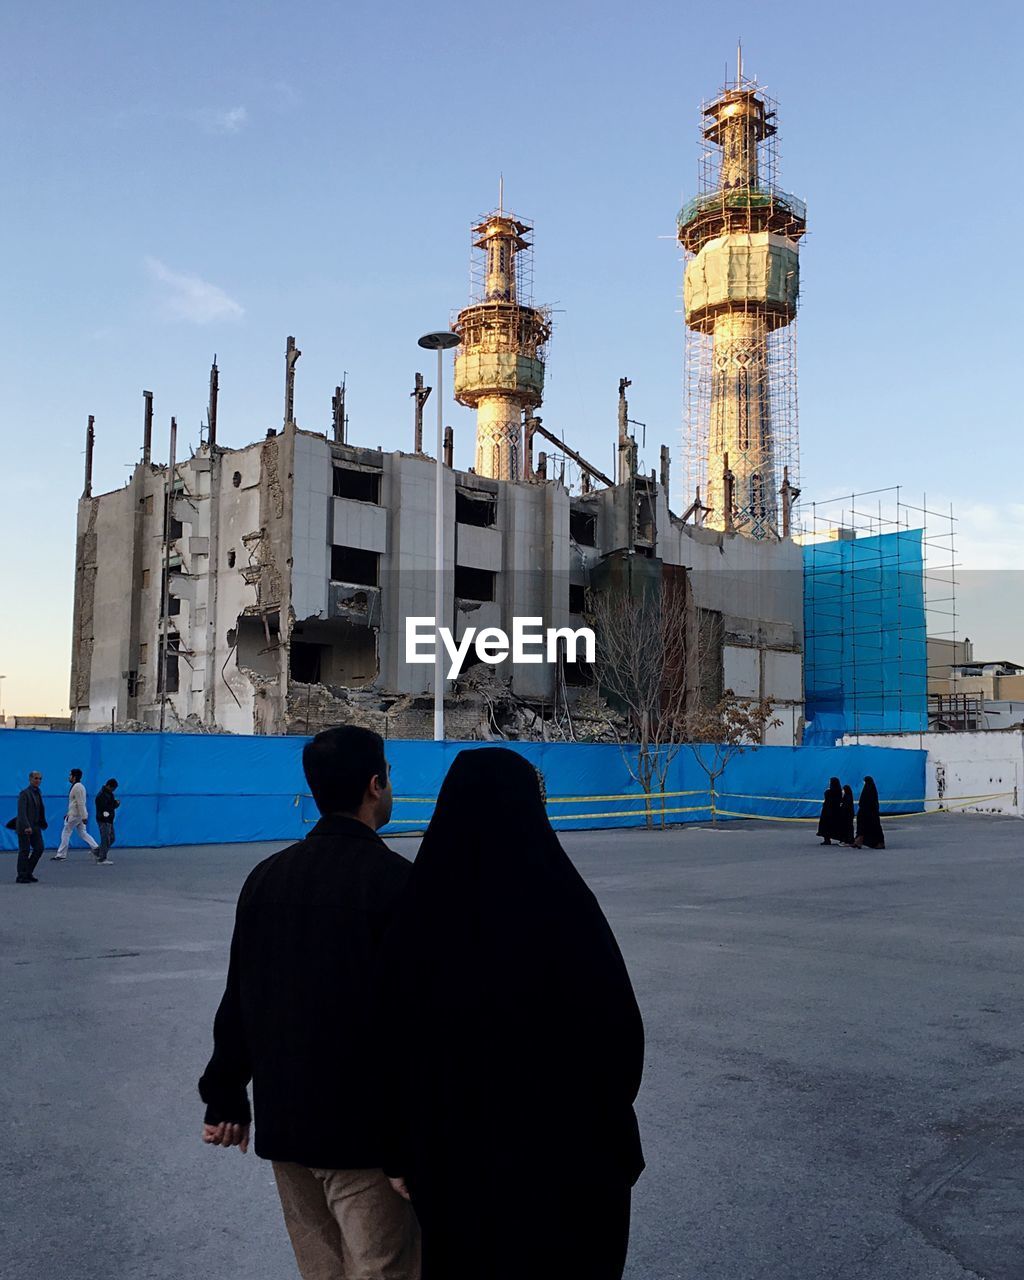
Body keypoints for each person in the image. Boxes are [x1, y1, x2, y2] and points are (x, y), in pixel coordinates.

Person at [375, 747, 645, 1280]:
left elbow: (391, 1043)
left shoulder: (418, 918)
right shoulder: (567, 909)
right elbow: (620, 1038)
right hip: (571, 1169)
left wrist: (400, 1153)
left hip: (455, 1171)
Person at [197, 725, 420, 1280]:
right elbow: (413, 1027)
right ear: (375, 785)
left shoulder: (265, 879)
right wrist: (410, 1144)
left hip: (288, 1131)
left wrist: (225, 1096)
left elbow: (241, 999)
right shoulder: (397, 884)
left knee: (322, 1272)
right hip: (366, 1143)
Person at [51, 768, 99, 860]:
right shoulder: (78, 786)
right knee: (82, 833)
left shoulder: (77, 787)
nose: (69, 777)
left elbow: (80, 803)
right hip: (77, 815)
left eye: (70, 775)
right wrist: (69, 813)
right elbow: (74, 803)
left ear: (74, 777)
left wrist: (84, 816)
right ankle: (96, 848)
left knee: (66, 832)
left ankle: (61, 855)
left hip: (76, 815)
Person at [15, 770, 47, 884]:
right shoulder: (24, 793)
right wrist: (26, 826)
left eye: (40, 778)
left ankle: (27, 872)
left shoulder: (38, 793)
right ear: (30, 779)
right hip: (25, 827)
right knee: (24, 850)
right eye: (36, 778)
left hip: (36, 826)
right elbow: (21, 812)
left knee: (39, 848)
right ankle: (21, 875)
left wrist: (42, 823)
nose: (38, 780)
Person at [855, 775, 886, 849]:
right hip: (871, 814)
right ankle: (860, 842)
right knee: (867, 828)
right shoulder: (872, 790)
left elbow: (864, 802)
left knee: (868, 828)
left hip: (869, 814)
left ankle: (875, 843)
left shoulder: (868, 790)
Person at [94, 778, 119, 865]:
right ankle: (102, 858)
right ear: (108, 786)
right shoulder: (101, 795)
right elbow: (105, 808)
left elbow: (110, 805)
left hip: (109, 819)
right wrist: (114, 805)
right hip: (103, 820)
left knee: (112, 838)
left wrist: (115, 803)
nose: (113, 790)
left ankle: (97, 852)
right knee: (105, 838)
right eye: (113, 788)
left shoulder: (109, 794)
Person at [817, 776, 843, 845]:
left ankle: (827, 839)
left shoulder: (828, 792)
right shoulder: (839, 791)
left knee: (826, 825)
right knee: (835, 825)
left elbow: (827, 798)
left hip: (827, 811)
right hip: (836, 811)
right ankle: (841, 838)